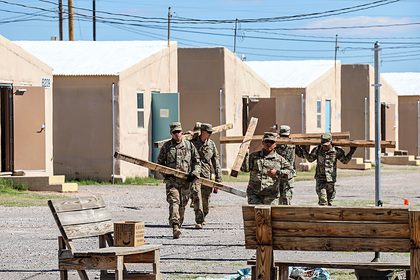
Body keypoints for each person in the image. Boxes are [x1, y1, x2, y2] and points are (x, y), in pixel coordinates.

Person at [157, 122, 201, 239]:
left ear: (182, 132)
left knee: (182, 205)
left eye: (179, 132)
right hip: (172, 181)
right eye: (175, 132)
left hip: (185, 182)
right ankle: (175, 227)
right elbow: (159, 164)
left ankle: (179, 224)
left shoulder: (189, 146)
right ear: (171, 133)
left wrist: (194, 173)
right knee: (174, 202)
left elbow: (197, 162)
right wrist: (165, 174)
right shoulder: (166, 147)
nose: (177, 134)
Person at [301, 133, 357, 206]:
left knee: (330, 202)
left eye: (326, 145)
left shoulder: (336, 151)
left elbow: (345, 161)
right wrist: (304, 150)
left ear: (331, 142)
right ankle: (322, 215)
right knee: (323, 200)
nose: (325, 147)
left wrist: (351, 152)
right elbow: (310, 159)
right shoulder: (318, 150)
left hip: (330, 180)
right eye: (323, 145)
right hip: (320, 178)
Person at [241, 132, 296, 205]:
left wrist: (278, 172)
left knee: (271, 216)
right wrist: (246, 153)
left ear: (275, 144)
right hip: (254, 195)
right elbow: (245, 169)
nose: (269, 144)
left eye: (272, 142)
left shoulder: (280, 159)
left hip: (271, 196)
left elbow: (291, 172)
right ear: (263, 142)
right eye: (267, 141)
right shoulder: (254, 156)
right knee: (255, 215)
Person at [190, 123, 222, 229]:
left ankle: (204, 216)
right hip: (195, 175)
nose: (210, 134)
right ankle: (199, 220)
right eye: (209, 132)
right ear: (203, 131)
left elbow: (215, 162)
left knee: (206, 200)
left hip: (207, 176)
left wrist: (218, 178)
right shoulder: (192, 142)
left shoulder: (211, 145)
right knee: (197, 197)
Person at [274, 125, 303, 205]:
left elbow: (301, 154)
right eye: (283, 136)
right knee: (279, 197)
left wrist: (305, 146)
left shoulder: (292, 144)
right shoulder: (275, 144)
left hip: (287, 174)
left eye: (285, 136)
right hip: (278, 174)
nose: (284, 138)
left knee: (286, 197)